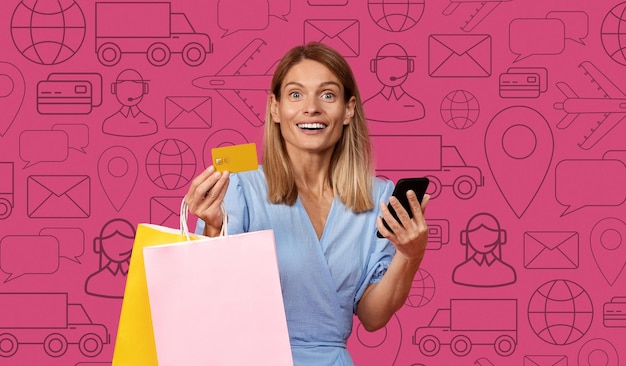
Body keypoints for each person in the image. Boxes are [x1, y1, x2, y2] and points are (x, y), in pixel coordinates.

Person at [184, 42, 430, 365]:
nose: (311, 108)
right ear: (275, 108)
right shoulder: (239, 187)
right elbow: (213, 300)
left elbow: (372, 317)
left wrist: (410, 255)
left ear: (348, 109)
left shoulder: (377, 198)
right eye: (295, 95)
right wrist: (213, 230)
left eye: (327, 95)